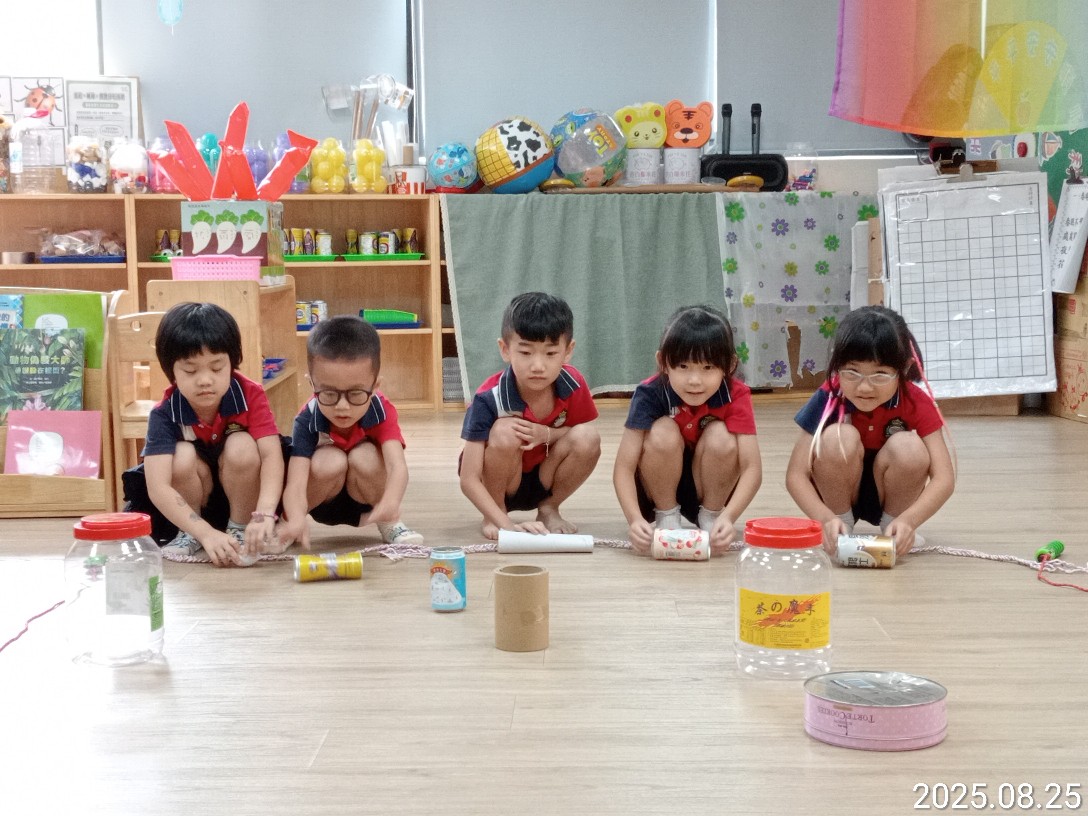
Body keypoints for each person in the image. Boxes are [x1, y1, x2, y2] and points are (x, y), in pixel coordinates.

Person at [785, 305, 955, 556]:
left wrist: (909, 521)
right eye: (852, 372)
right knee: (837, 437)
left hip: (889, 492)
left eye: (880, 374)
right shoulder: (829, 395)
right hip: (839, 493)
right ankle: (841, 524)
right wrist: (825, 519)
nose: (864, 387)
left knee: (909, 447)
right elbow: (796, 475)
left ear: (904, 368)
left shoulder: (915, 400)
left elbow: (944, 478)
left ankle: (893, 526)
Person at [134, 302, 284, 567]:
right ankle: (189, 534)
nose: (205, 380)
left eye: (216, 368)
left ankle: (239, 528)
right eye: (190, 370)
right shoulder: (165, 413)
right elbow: (157, 486)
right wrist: (203, 532)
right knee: (180, 455)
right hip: (192, 510)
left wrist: (264, 515)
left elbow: (272, 456)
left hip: (243, 501)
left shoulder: (250, 395)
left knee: (242, 444)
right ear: (171, 371)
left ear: (232, 363)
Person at [614, 305, 762, 556]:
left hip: (708, 486)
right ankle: (667, 516)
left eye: (708, 368)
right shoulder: (649, 393)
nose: (695, 380)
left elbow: (752, 468)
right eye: (683, 366)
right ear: (663, 362)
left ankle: (710, 516)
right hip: (656, 487)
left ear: (729, 365)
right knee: (662, 430)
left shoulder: (736, 394)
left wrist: (727, 517)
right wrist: (634, 519)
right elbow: (624, 467)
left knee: (722, 436)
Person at [459, 291, 601, 540]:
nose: (538, 366)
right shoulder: (488, 398)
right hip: (499, 481)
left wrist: (547, 434)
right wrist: (507, 526)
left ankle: (549, 508)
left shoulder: (573, 383)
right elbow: (468, 479)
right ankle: (495, 513)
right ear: (505, 349)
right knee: (505, 432)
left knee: (588, 437)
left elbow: (576, 435)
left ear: (568, 351)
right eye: (525, 353)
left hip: (544, 476)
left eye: (550, 353)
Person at [276, 315, 422, 550]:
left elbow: (397, 466)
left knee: (364, 455)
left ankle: (390, 523)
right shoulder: (307, 418)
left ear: (375, 386)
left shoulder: (381, 411)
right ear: (312, 384)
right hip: (323, 500)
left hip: (367, 497)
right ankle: (289, 527)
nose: (342, 406)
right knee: (330, 459)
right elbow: (296, 482)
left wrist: (390, 503)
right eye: (329, 394)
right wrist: (293, 516)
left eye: (355, 394)